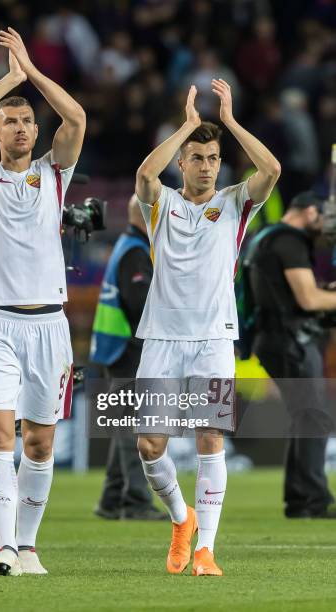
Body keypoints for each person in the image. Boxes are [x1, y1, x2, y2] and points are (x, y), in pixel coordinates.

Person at [134, 80, 281, 576]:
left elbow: (273, 169)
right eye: (196, 157)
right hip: (160, 338)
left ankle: (206, 551)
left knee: (209, 438)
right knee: (149, 446)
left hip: (215, 339)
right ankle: (182, 518)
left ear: (221, 162)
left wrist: (232, 121)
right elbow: (144, 173)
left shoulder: (237, 202)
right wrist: (188, 126)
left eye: (213, 158)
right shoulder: (162, 204)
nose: (204, 165)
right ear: (184, 162)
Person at [0, 27, 85, 576]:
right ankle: (3, 547)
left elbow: (75, 119)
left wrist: (31, 74)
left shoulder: (55, 174)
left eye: (28, 120)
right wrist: (8, 79)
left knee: (40, 442)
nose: (23, 127)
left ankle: (27, 545)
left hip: (50, 327)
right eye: (10, 120)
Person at [249, 191, 336, 518]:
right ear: (310, 211)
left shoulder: (267, 237)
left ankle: (300, 499)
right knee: (314, 417)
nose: (325, 224)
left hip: (274, 338)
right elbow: (308, 300)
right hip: (289, 340)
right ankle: (311, 501)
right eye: (322, 216)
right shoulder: (289, 241)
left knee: (305, 417)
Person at [90, 195, 166, 521]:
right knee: (135, 425)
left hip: (114, 345)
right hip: (127, 347)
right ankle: (136, 502)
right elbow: (139, 305)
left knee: (124, 424)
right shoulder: (136, 252)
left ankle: (111, 501)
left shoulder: (127, 245)